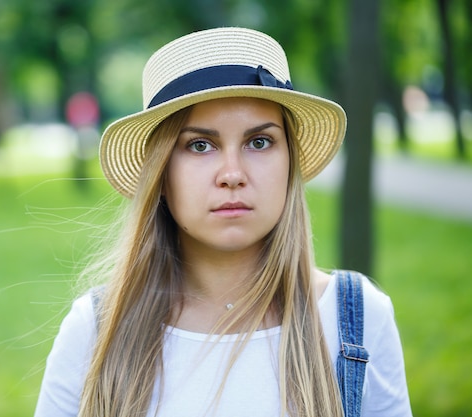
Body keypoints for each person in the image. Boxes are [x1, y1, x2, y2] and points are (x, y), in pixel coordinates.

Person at [34, 27, 412, 417]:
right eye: (200, 145)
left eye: (259, 142)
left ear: (289, 164)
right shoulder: (97, 331)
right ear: (161, 174)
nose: (232, 173)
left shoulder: (356, 319)